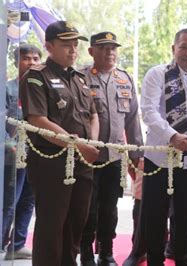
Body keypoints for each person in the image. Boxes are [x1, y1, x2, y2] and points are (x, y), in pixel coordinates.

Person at [18, 20, 100, 266]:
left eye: (75, 45)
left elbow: (93, 114)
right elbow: (38, 120)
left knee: (77, 221)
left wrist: (91, 143)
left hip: (81, 161)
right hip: (51, 163)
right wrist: (79, 145)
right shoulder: (36, 77)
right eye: (66, 45)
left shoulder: (80, 79)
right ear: (49, 46)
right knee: (52, 225)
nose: (73, 50)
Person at [140, 28, 187, 266]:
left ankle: (184, 259)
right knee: (155, 217)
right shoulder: (157, 74)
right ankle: (155, 261)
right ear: (173, 48)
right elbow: (149, 112)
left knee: (184, 217)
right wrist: (172, 136)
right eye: (184, 47)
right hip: (159, 160)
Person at [79, 31, 144, 266]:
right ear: (91, 51)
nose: (110, 52)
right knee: (88, 208)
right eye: (104, 47)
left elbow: (133, 120)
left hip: (115, 158)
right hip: (88, 157)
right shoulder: (80, 77)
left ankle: (106, 253)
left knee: (110, 208)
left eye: (113, 48)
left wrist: (138, 156)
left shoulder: (124, 79)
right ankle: (85, 253)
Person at [3, 44, 40, 260]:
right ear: (17, 62)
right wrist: (9, 144)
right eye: (27, 58)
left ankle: (16, 244)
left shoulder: (41, 88)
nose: (32, 63)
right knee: (10, 201)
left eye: (36, 59)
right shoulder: (7, 88)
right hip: (12, 156)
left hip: (36, 154)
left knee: (28, 200)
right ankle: (1, 243)